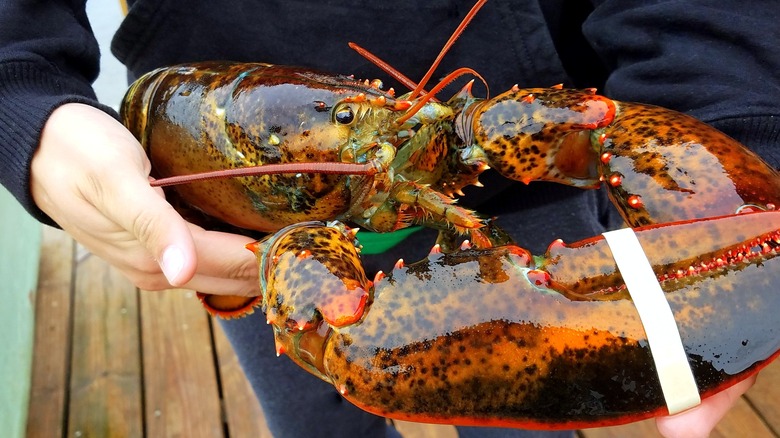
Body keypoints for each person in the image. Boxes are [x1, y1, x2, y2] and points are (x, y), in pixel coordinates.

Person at [1, 1, 778, 437]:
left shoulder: (415, 131)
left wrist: (728, 114)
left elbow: (593, 124)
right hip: (256, 242)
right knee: (316, 425)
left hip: (508, 195)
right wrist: (24, 92)